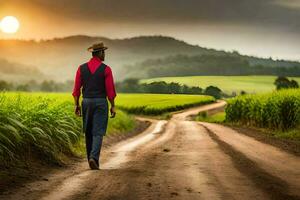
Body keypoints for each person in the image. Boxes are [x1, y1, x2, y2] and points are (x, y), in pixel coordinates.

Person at [72, 42, 117, 170]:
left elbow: (76, 90)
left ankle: (90, 161)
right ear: (100, 53)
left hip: (86, 101)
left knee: (88, 132)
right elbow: (110, 91)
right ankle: (94, 158)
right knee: (98, 132)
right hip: (100, 102)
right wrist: (112, 106)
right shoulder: (106, 69)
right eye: (104, 52)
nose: (105, 55)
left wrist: (76, 105)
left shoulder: (81, 68)